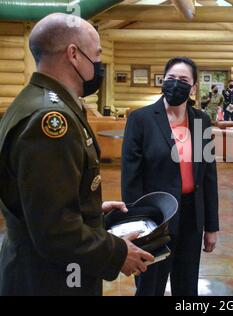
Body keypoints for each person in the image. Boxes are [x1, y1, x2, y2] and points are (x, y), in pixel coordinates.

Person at [0, 13, 153, 296]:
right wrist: (119, 253)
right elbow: (54, 230)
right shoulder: (51, 119)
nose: (98, 64)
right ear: (74, 54)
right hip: (50, 279)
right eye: (96, 55)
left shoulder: (35, 100)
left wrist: (89, 209)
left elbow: (42, 198)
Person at [122, 56, 219, 296]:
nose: (176, 84)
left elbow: (208, 176)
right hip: (155, 219)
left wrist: (211, 226)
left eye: (184, 80)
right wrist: (136, 226)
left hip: (190, 217)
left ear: (194, 87)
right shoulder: (141, 119)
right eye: (171, 78)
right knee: (150, 286)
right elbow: (131, 180)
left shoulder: (201, 120)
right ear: (163, 81)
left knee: (186, 287)